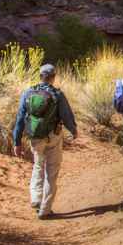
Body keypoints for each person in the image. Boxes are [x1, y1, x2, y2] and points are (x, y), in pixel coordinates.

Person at [13, 64, 78, 220]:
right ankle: (45, 209)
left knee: (37, 165)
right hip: (53, 137)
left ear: (40, 75)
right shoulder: (57, 94)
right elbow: (66, 115)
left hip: (35, 137)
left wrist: (17, 141)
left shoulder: (28, 92)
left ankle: (35, 198)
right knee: (52, 171)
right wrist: (74, 130)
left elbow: (20, 119)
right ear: (53, 77)